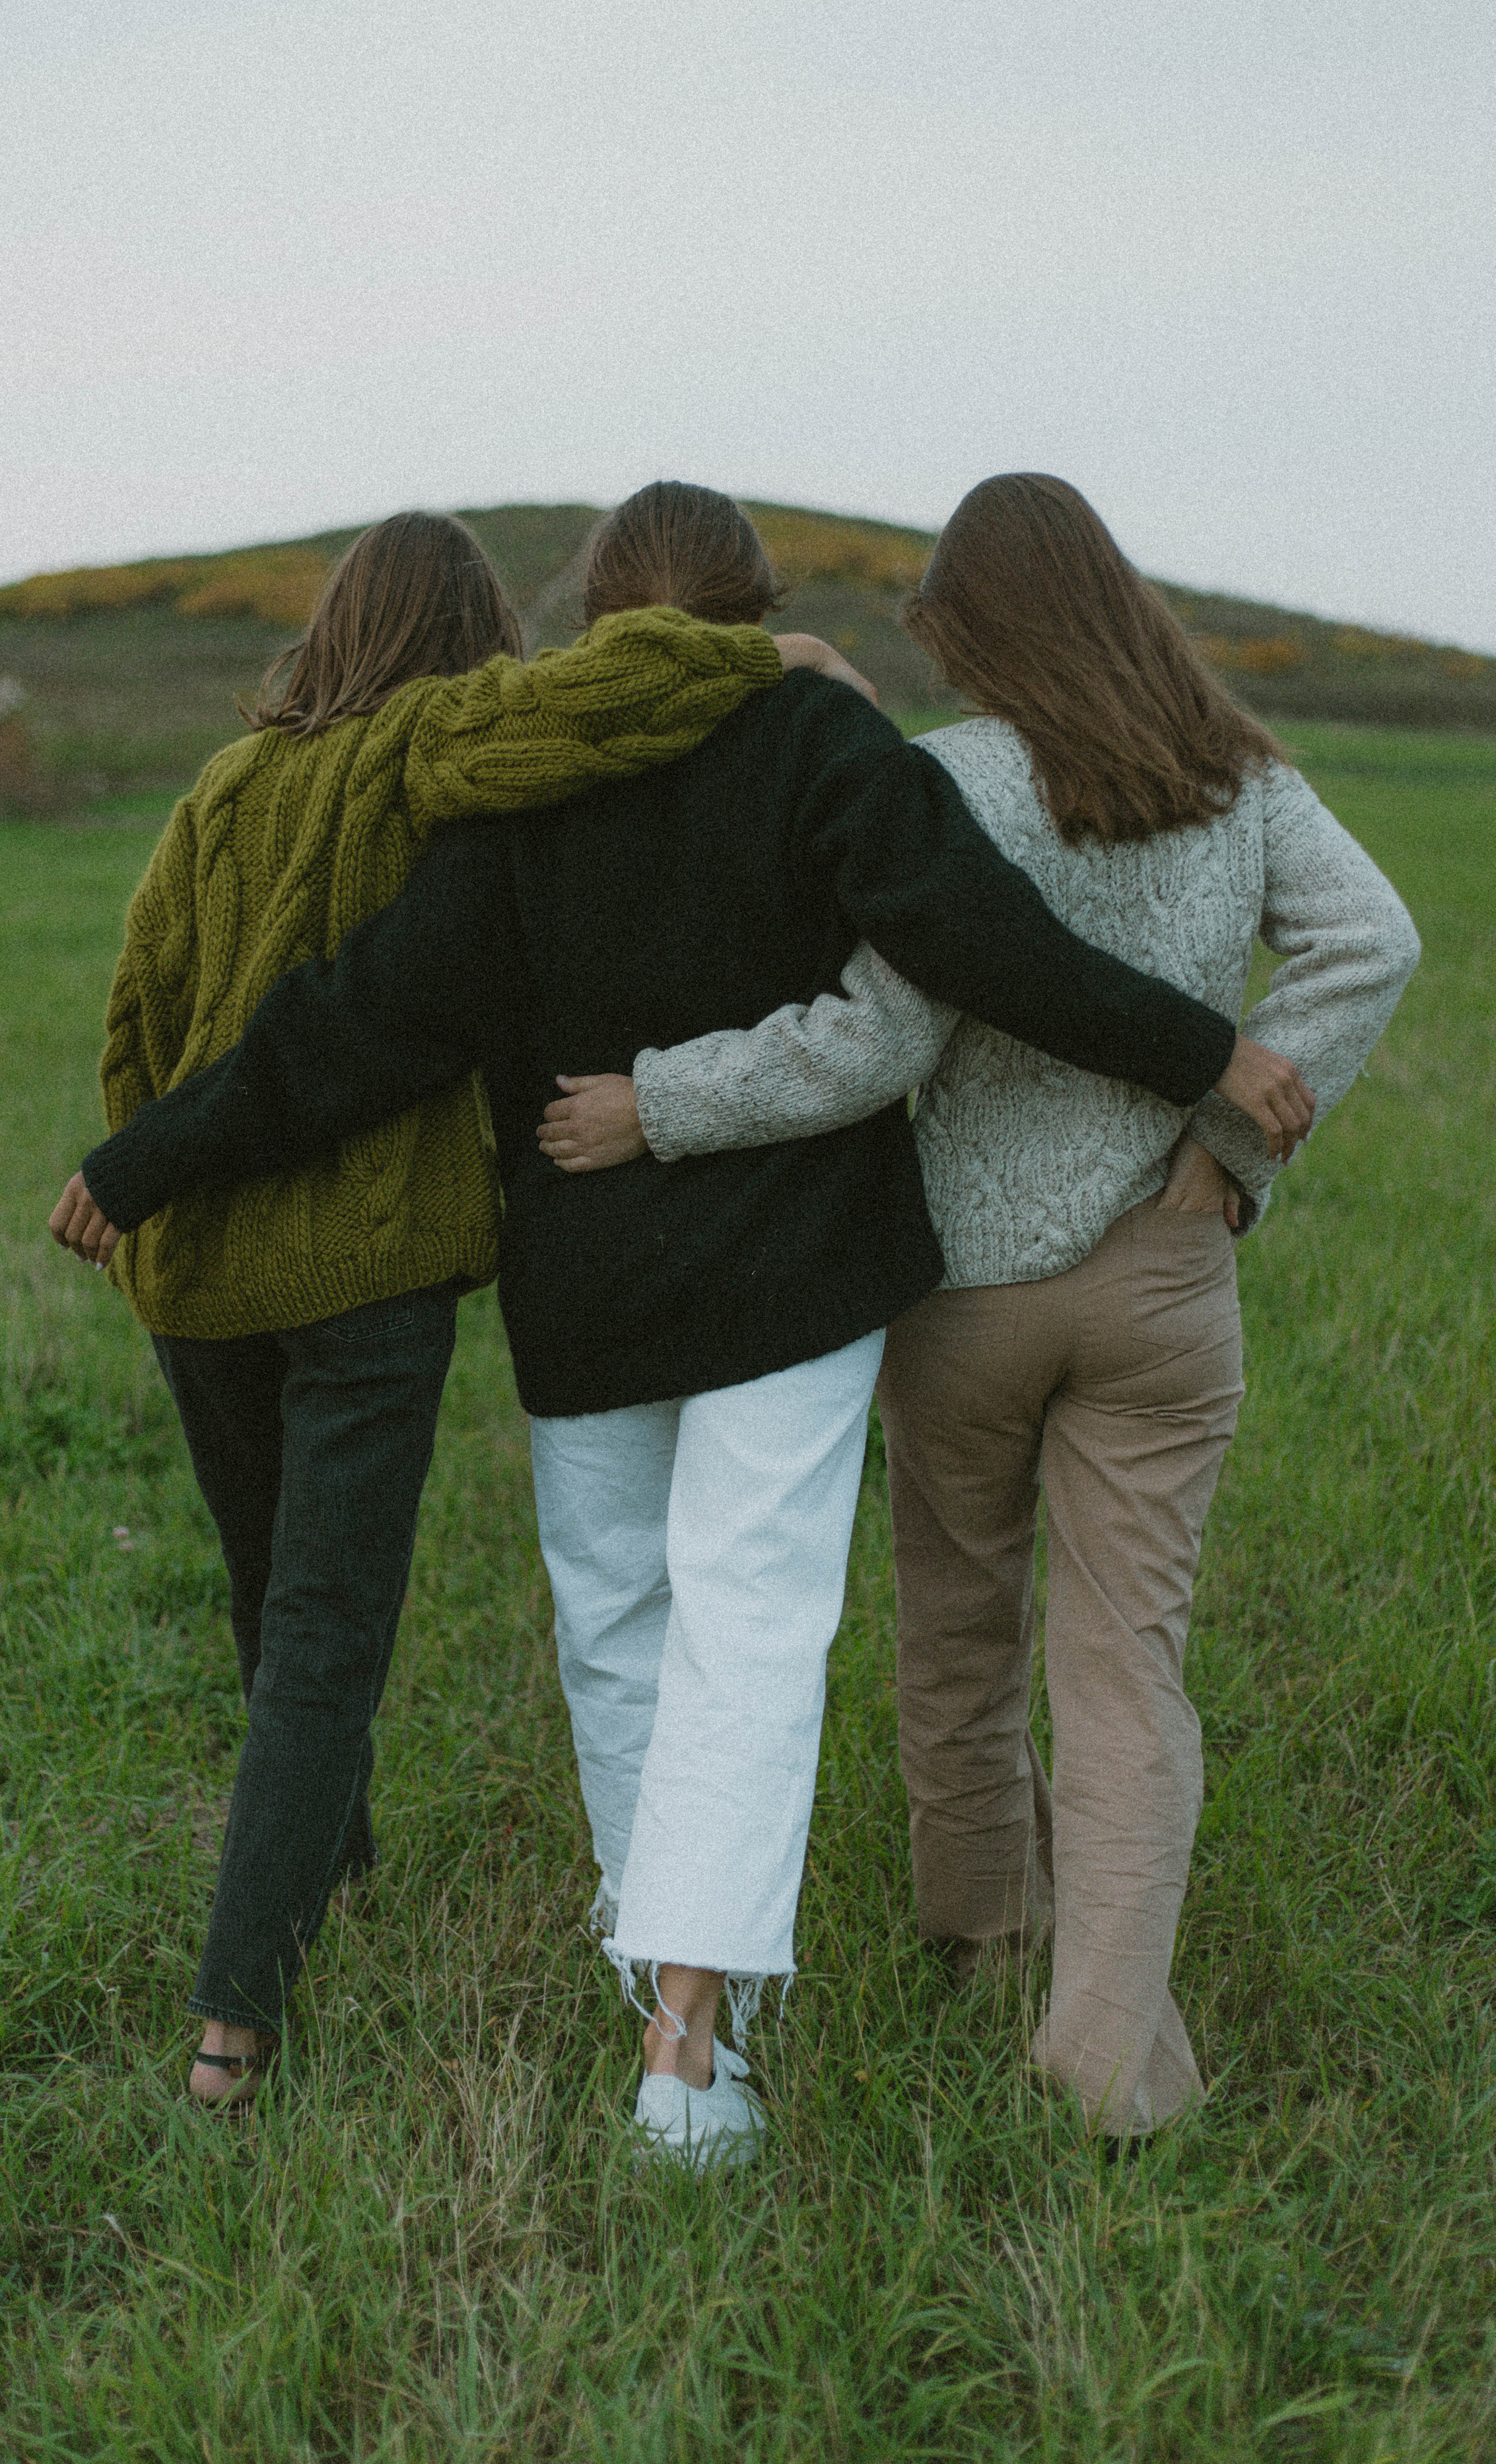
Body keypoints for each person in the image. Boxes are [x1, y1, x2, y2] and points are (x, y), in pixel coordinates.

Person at [51, 481, 1312, 2165]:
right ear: (757, 602)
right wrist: (1200, 1051)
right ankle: (685, 2046)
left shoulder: (525, 789)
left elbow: (350, 1028)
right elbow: (977, 938)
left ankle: (672, 2005)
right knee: (752, 1632)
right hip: (792, 1283)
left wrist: (146, 1159)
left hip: (588, 1301)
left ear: (589, 621)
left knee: (622, 1637)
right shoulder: (815, 743)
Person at [537, 473, 1419, 2144]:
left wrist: (656, 1101)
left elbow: (867, 1045)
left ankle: (981, 1939)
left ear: (971, 627)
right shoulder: (1235, 774)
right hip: (1165, 1284)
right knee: (1123, 1671)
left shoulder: (947, 784)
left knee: (955, 1630)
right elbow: (1370, 942)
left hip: (960, 1290)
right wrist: (1230, 1143)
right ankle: (1110, 2060)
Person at [51, 506, 818, 2109]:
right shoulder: (438, 745)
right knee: (325, 1639)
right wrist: (768, 655)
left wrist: (149, 1183)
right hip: (361, 1271)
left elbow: (139, 1020)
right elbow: (617, 696)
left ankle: (338, 1875)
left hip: (192, 1273)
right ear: (470, 634)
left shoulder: (220, 786)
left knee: (276, 1612)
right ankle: (231, 2031)